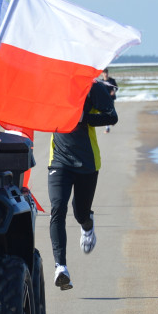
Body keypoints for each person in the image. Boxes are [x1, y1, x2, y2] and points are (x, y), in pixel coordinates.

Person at [48, 78, 118, 291]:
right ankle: (61, 266)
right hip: (59, 160)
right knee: (58, 208)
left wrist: (83, 118)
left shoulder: (92, 87)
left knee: (80, 213)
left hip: (87, 161)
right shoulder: (52, 83)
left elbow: (111, 117)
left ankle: (87, 224)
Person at [99, 68, 117, 132]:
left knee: (112, 111)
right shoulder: (101, 82)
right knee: (105, 112)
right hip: (104, 99)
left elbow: (116, 87)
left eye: (106, 73)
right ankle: (107, 128)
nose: (105, 74)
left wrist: (114, 91)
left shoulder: (112, 80)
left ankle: (113, 120)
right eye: (104, 73)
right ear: (102, 74)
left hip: (111, 98)